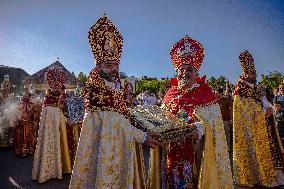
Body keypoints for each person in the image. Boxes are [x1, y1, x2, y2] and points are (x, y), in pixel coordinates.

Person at [69, 15, 160, 188]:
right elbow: (114, 122)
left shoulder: (117, 87)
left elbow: (122, 116)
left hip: (119, 142)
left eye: (116, 65)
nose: (113, 70)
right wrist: (142, 136)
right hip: (107, 146)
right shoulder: (95, 89)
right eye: (108, 65)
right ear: (98, 67)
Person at [149, 35, 233, 189]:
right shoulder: (169, 95)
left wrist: (201, 128)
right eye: (181, 70)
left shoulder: (206, 95)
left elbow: (215, 126)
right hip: (170, 152)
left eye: (189, 69)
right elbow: (159, 119)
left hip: (196, 152)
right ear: (177, 74)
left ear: (196, 74)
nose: (185, 73)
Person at [233, 50, 284, 187]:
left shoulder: (257, 87)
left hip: (263, 125)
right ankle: (252, 178)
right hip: (250, 128)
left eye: (255, 73)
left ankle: (269, 178)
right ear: (245, 74)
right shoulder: (240, 89)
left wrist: (268, 109)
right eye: (252, 73)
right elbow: (243, 110)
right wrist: (262, 111)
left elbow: (264, 102)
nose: (254, 75)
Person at [32, 68, 72, 183]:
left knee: (59, 142)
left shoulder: (63, 97)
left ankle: (59, 169)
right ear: (51, 86)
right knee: (47, 143)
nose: (56, 87)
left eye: (58, 85)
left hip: (59, 123)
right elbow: (47, 112)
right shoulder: (47, 98)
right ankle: (46, 172)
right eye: (54, 85)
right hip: (50, 125)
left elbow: (64, 110)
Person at [13, 88, 36, 156]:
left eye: (27, 96)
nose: (25, 97)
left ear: (29, 97)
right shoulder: (20, 104)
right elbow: (17, 111)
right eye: (24, 95)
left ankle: (26, 150)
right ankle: (20, 150)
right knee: (20, 136)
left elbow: (32, 113)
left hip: (28, 124)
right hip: (20, 123)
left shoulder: (31, 104)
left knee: (26, 136)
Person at [215, 86, 233, 163]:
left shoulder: (226, 100)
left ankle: (228, 149)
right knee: (219, 135)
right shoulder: (215, 101)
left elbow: (231, 109)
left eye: (217, 93)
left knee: (226, 135)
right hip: (217, 122)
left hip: (225, 121)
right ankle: (221, 150)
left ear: (221, 93)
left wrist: (231, 119)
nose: (215, 95)